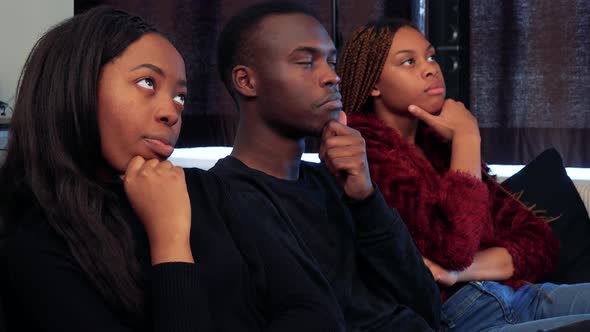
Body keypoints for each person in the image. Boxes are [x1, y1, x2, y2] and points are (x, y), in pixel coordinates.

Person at [0, 6, 344, 332]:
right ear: (76, 86)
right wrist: (170, 240)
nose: (171, 112)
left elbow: (316, 309)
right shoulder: (34, 241)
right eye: (148, 83)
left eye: (180, 96)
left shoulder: (210, 190)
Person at [339, 18, 590, 331]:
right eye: (408, 62)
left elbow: (540, 242)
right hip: (463, 317)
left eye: (431, 56)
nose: (431, 68)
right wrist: (468, 137)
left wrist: (459, 273)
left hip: (523, 296)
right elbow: (453, 248)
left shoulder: (437, 146)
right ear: (374, 84)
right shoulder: (366, 155)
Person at [211, 2, 441, 331]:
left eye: (331, 61)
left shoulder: (335, 182)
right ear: (246, 81)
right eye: (306, 62)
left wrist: (366, 199)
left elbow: (428, 306)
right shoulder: (224, 199)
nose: (332, 77)